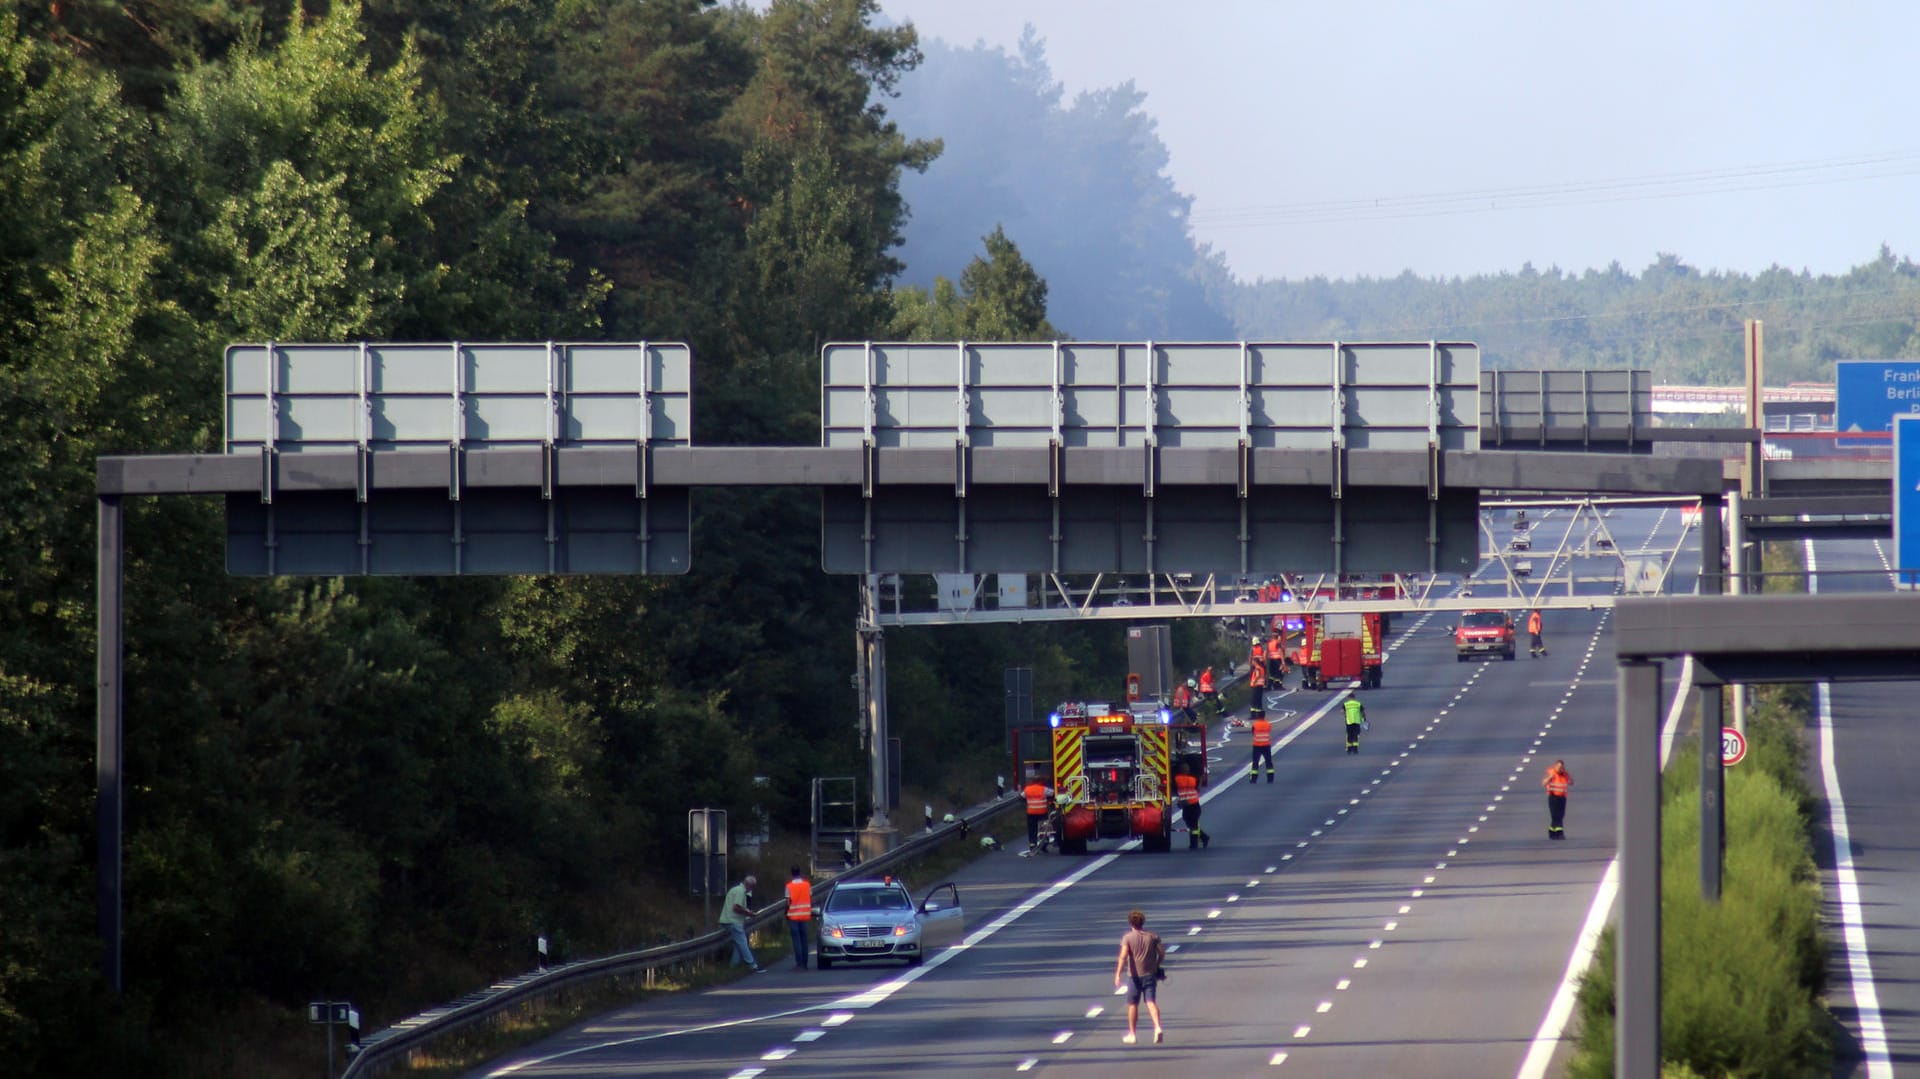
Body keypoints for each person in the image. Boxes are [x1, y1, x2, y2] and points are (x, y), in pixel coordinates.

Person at [1113, 909, 1166, 1044]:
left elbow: (1123, 956)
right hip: (1150, 974)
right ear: (1143, 922)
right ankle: (1157, 1027)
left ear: (1131, 923)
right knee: (1151, 1002)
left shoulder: (1128, 938)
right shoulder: (1153, 936)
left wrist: (1118, 974)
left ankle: (1132, 1034)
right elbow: (1162, 953)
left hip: (1134, 977)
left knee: (1132, 1005)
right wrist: (1156, 964)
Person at [720, 874, 765, 973]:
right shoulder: (741, 892)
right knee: (743, 943)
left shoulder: (735, 889)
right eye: (752, 887)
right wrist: (749, 913)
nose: (752, 889)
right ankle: (753, 965)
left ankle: (733, 966)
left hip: (727, 920)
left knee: (738, 943)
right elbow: (736, 907)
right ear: (749, 885)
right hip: (733, 921)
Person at [784, 866, 812, 970]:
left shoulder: (789, 886)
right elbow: (810, 898)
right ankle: (805, 963)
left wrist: (786, 913)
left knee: (796, 941)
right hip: (804, 915)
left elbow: (788, 902)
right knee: (804, 940)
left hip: (793, 916)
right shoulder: (807, 885)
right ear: (800, 873)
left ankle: (799, 963)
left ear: (792, 874)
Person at [1174, 763, 1208, 848]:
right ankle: (1203, 838)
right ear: (1188, 771)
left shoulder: (1178, 779)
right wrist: (1200, 780)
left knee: (1192, 824)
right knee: (1193, 824)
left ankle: (1195, 843)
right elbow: (1198, 787)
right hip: (1194, 804)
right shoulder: (1192, 779)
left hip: (1187, 805)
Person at [1023, 772, 1052, 855]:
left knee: (1032, 829)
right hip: (1042, 812)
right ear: (1040, 781)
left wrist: (1027, 802)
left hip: (1031, 812)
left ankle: (1032, 845)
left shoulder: (1027, 789)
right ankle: (1044, 844)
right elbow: (1052, 793)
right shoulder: (1044, 789)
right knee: (1044, 828)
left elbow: (1021, 797)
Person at [1543, 759, 1572, 839]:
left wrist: (1568, 776)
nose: (1560, 768)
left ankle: (1552, 831)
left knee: (1561, 815)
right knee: (1555, 816)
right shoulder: (1551, 773)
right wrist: (1550, 777)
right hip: (1553, 797)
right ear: (1555, 766)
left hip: (1562, 797)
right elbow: (1544, 783)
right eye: (1559, 767)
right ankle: (1560, 833)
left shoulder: (1565, 774)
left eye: (1561, 767)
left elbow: (1571, 782)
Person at [1248, 705, 1274, 784]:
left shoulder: (1255, 725)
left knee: (1255, 762)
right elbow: (1269, 731)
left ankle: (1253, 779)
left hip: (1257, 745)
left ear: (1258, 716)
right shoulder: (1268, 724)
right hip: (1266, 745)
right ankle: (1270, 779)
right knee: (1268, 762)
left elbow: (1253, 732)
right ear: (1264, 716)